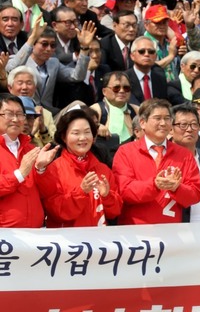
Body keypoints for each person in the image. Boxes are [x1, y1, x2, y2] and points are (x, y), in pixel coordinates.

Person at [113, 98, 200, 224]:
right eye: (158, 118)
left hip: (171, 233)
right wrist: (154, 185)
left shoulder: (184, 155)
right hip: (135, 233)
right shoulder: (126, 152)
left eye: (167, 118)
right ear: (142, 122)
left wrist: (177, 188)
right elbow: (125, 191)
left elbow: (195, 194)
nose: (163, 123)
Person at [34, 109, 122, 228]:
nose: (83, 138)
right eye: (76, 133)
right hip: (68, 244)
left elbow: (115, 212)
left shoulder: (103, 169)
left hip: (99, 242)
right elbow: (56, 211)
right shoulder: (54, 169)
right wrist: (81, 191)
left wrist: (107, 196)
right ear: (63, 137)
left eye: (87, 132)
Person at [0, 94, 55, 227]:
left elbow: (48, 193)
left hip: (34, 235)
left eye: (20, 114)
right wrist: (19, 174)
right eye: (9, 114)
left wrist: (41, 169)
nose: (15, 119)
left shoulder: (32, 149)